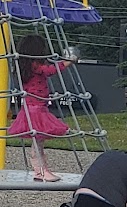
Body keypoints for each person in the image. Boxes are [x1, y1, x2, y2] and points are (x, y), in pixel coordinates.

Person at [8, 34, 76, 182]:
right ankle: (40, 171)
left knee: (39, 142)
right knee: (37, 143)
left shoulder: (24, 65)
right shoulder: (35, 65)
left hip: (35, 107)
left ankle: (42, 170)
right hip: (36, 109)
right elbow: (49, 71)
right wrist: (67, 62)